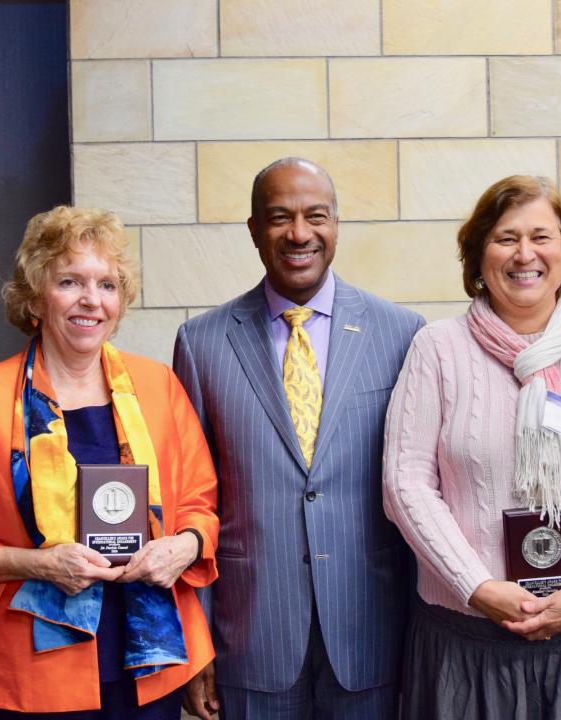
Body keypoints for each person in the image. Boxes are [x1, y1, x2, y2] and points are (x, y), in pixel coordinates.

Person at [382, 175, 561, 718]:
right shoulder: (436, 349)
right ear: (478, 255)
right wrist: (478, 585)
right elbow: (406, 483)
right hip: (466, 638)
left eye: (541, 236)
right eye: (505, 238)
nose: (524, 254)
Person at [0, 205, 218, 718]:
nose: (92, 300)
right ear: (35, 296)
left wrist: (183, 546)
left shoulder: (158, 386)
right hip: (32, 670)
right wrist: (38, 564)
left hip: (150, 665)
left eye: (107, 285)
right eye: (70, 281)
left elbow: (202, 505)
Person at [173, 157, 423, 719]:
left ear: (336, 224)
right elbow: (193, 501)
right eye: (279, 217)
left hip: (372, 632)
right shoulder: (201, 343)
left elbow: (417, 490)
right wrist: (196, 644)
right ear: (254, 230)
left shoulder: (402, 333)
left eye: (316, 216)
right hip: (252, 636)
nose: (299, 233)